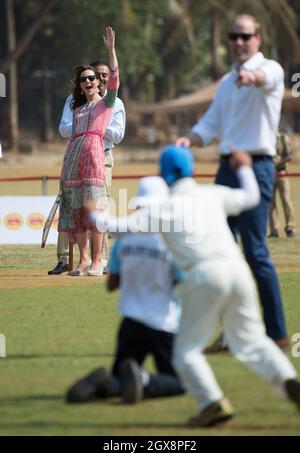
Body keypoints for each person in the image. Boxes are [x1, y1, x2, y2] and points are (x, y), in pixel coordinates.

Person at [92, 145, 300, 427]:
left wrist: (92, 212)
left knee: (186, 352)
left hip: (203, 276)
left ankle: (212, 403)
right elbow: (251, 198)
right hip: (238, 271)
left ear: (162, 174)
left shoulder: (162, 209)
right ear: (190, 169)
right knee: (252, 341)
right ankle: (288, 380)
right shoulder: (211, 194)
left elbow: (114, 225)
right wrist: (244, 168)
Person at [176, 14, 289, 350]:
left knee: (255, 251)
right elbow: (210, 124)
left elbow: (266, 78)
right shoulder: (226, 82)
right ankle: (232, 333)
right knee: (217, 253)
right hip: (226, 172)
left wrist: (252, 75)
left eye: (245, 36)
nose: (238, 42)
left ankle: (277, 333)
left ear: (258, 38)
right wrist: (189, 140)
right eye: (233, 37)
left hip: (256, 167)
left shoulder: (271, 69)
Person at [66, 176, 184, 404]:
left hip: (130, 321)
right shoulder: (171, 239)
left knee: (120, 379)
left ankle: (103, 384)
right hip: (163, 322)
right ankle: (143, 379)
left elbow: (112, 285)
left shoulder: (124, 238)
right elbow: (180, 281)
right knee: (179, 381)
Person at [49, 60, 126, 275]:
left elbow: (114, 82)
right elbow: (70, 135)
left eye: (92, 78)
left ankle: (97, 261)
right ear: (80, 85)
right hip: (74, 158)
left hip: (95, 156)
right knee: (77, 210)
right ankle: (83, 261)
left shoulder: (106, 104)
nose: (89, 82)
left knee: (95, 208)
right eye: (84, 79)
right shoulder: (78, 108)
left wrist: (111, 51)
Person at [269, 132, 296, 238]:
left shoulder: (283, 138)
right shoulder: (265, 136)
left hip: (281, 173)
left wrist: (277, 165)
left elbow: (289, 156)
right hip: (269, 174)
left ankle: (290, 228)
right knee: (271, 203)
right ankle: (274, 229)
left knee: (286, 200)